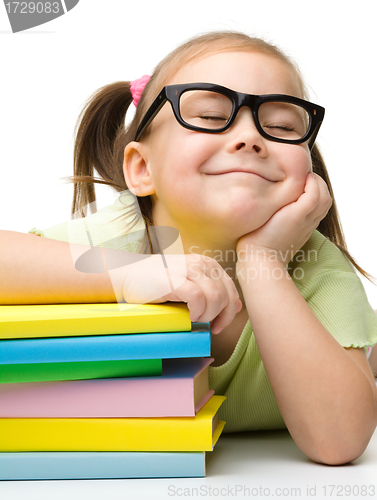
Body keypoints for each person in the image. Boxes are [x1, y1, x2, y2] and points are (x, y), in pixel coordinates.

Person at [1, 31, 377, 466]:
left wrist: (263, 263)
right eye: (211, 116)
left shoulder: (318, 270)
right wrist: (128, 274)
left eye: (281, 127)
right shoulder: (123, 234)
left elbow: (339, 442)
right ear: (142, 169)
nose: (251, 138)